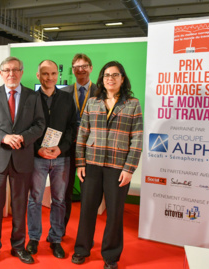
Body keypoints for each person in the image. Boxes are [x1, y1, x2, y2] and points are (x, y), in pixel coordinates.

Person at [71, 61, 143, 269]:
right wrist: (80, 163)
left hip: (118, 167)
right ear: (102, 79)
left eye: (115, 75)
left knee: (114, 212)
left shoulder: (132, 103)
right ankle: (81, 249)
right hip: (92, 164)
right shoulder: (93, 102)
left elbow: (137, 139)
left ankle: (110, 256)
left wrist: (129, 169)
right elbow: (82, 133)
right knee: (87, 210)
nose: (110, 78)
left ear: (122, 78)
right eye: (106, 75)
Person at [0, 56, 45, 266]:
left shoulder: (33, 96)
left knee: (19, 205)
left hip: (22, 158)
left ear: (22, 72)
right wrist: (3, 137)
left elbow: (40, 124)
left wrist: (23, 138)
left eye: (15, 70)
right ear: (1, 73)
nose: (11, 74)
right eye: (7, 70)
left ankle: (18, 247)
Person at [26, 60, 76, 259]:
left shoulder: (66, 98)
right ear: (38, 75)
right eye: (45, 74)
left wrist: (60, 148)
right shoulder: (30, 99)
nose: (50, 77)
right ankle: (34, 238)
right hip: (37, 157)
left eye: (53, 73)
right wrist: (38, 150)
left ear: (58, 75)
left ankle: (56, 238)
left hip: (61, 157)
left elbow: (73, 127)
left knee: (60, 200)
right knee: (35, 198)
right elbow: (25, 129)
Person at [61, 53, 97, 234]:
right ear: (72, 70)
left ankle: (85, 235)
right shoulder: (64, 92)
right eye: (76, 67)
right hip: (68, 148)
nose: (80, 70)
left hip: (91, 149)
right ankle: (60, 231)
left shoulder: (100, 92)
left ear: (91, 68)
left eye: (84, 66)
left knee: (88, 194)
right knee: (65, 192)